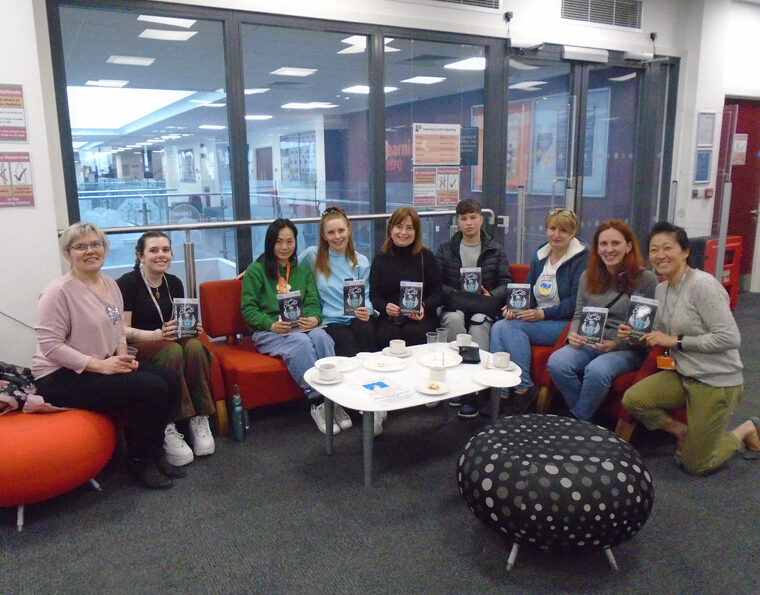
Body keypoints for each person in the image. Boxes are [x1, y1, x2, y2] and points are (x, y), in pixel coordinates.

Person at [32, 222, 184, 489]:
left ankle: (155, 450)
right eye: (80, 246)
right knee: (151, 387)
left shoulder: (110, 286)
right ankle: (139, 461)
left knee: (169, 379)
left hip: (103, 364)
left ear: (105, 249)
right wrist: (101, 366)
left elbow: (116, 329)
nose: (89, 251)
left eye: (95, 244)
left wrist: (123, 357)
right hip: (60, 376)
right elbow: (50, 346)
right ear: (68, 254)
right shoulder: (58, 292)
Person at [621, 222, 758, 475]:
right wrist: (637, 336)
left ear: (684, 251)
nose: (660, 255)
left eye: (667, 248)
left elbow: (730, 338)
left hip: (716, 381)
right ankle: (684, 432)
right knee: (633, 399)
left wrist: (678, 341)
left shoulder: (703, 285)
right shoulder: (662, 289)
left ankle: (744, 430)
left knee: (696, 465)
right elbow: (661, 333)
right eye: (654, 250)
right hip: (684, 374)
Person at [117, 231, 216, 467]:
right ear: (140, 255)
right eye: (153, 250)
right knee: (172, 351)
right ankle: (168, 425)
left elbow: (177, 323)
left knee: (193, 346)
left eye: (165, 250)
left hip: (172, 342)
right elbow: (121, 330)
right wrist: (156, 335)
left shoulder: (174, 282)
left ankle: (199, 418)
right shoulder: (127, 283)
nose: (161, 255)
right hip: (140, 345)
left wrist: (191, 327)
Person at [240, 218, 346, 436]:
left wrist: (314, 319)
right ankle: (317, 402)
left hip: (301, 326)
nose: (285, 247)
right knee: (300, 342)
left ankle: (334, 398)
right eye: (279, 242)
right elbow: (248, 310)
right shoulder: (256, 271)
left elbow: (313, 304)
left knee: (321, 337)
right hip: (269, 330)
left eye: (290, 241)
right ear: (270, 243)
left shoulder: (302, 271)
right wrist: (270, 324)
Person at [547, 219, 657, 421]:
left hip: (627, 347)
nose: (609, 249)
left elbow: (643, 329)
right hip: (589, 340)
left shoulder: (646, 280)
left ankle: (579, 419)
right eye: (603, 244)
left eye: (616, 243)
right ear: (596, 249)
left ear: (628, 246)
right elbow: (579, 313)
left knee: (597, 370)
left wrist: (616, 343)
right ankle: (586, 416)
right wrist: (573, 335)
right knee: (557, 362)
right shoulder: (587, 276)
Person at [490, 208, 588, 413]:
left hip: (564, 323)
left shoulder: (582, 259)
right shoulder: (541, 253)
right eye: (552, 228)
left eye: (563, 230)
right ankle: (502, 389)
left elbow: (575, 303)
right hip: (538, 316)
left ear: (573, 232)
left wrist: (542, 314)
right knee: (500, 325)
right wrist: (516, 308)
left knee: (511, 329)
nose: (556, 234)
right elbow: (529, 289)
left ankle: (523, 386)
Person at [435, 198, 512, 417]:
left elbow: (506, 282)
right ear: (458, 222)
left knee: (478, 324)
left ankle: (475, 390)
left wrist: (492, 294)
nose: (468, 223)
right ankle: (456, 382)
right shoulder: (446, 249)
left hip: (483, 305)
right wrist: (453, 294)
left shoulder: (495, 250)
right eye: (463, 218)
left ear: (481, 218)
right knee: (454, 320)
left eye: (472, 217)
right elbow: (437, 282)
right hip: (454, 304)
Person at [299, 205, 376, 357]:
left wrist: (367, 310)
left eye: (341, 230)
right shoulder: (312, 255)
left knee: (367, 333)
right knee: (346, 342)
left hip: (356, 316)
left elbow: (366, 295)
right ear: (324, 236)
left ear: (348, 230)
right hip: (331, 319)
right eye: (331, 232)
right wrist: (254, 268)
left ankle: (373, 377)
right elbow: (286, 264)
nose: (337, 236)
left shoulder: (361, 261)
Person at [370, 207, 443, 348]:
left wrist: (424, 306)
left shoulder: (427, 257)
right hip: (390, 318)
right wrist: (385, 307)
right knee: (387, 336)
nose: (403, 232)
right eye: (399, 227)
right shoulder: (380, 260)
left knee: (415, 333)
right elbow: (374, 296)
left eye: (409, 228)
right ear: (390, 229)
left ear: (416, 232)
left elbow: (437, 293)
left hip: (422, 317)